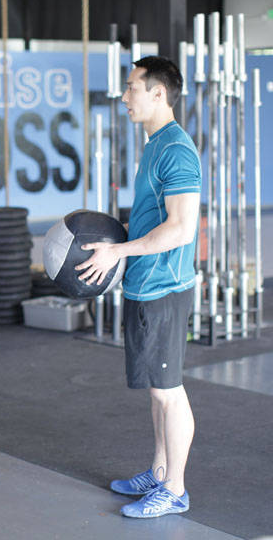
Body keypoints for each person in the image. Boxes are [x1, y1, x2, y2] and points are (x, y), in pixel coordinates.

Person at [75, 56, 201, 518]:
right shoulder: (154, 145)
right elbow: (154, 218)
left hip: (165, 286)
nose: (124, 97)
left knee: (170, 391)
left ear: (157, 94)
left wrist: (119, 253)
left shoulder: (176, 150)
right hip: (147, 284)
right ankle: (159, 471)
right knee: (156, 388)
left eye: (131, 88)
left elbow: (182, 229)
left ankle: (176, 490)